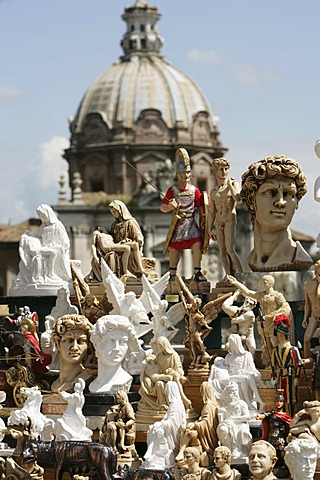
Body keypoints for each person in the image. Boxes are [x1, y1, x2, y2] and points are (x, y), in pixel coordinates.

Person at [240, 154, 312, 272]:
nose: (280, 202)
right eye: (269, 192)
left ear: (297, 203)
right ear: (251, 201)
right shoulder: (251, 259)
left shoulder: (300, 258)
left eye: (288, 194)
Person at [160, 147, 206, 282]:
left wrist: (204, 219)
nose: (186, 175)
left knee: (197, 245)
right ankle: (172, 275)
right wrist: (170, 206)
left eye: (188, 172)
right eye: (183, 172)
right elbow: (162, 207)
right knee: (174, 249)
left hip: (190, 222)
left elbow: (201, 206)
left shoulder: (194, 190)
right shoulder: (172, 190)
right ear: (177, 173)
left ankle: (197, 272)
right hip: (178, 223)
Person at [227, 274, 292, 366]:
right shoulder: (261, 295)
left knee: (275, 343)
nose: (263, 284)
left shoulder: (277, 295)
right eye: (262, 282)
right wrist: (236, 283)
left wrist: (273, 315)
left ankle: (279, 363)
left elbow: (286, 307)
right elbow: (248, 292)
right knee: (267, 345)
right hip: (264, 323)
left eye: (264, 282)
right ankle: (271, 364)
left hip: (273, 323)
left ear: (270, 283)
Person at [14, 204, 71, 286]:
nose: (41, 217)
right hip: (43, 247)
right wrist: (30, 235)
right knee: (44, 255)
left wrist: (55, 245)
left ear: (48, 214)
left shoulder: (57, 226)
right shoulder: (43, 226)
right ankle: (48, 274)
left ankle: (51, 273)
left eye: (42, 215)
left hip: (57, 247)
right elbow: (38, 237)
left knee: (55, 252)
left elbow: (65, 242)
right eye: (40, 215)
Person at [89, 314, 145, 394]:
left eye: (122, 342)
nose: (117, 348)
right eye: (111, 341)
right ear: (96, 345)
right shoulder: (92, 385)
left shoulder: (124, 380)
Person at [209, 333, 265, 412]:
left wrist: (244, 371)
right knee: (244, 379)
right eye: (230, 343)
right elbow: (225, 371)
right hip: (232, 379)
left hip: (244, 376)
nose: (231, 345)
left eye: (232, 343)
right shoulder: (228, 357)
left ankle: (254, 401)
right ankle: (250, 403)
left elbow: (252, 369)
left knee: (248, 376)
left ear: (237, 343)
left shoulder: (246, 355)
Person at [209, 158, 243, 282]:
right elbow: (212, 212)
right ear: (215, 171)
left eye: (226, 169)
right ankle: (229, 275)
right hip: (218, 221)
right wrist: (209, 228)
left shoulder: (233, 184)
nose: (224, 172)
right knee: (222, 251)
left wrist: (229, 185)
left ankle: (241, 274)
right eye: (221, 169)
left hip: (230, 219)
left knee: (230, 249)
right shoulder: (213, 192)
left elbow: (237, 198)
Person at [143, 381, 186, 469]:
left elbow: (172, 422)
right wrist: (161, 422)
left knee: (156, 427)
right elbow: (167, 418)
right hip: (169, 427)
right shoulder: (174, 404)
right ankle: (151, 453)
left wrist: (161, 424)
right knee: (152, 427)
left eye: (166, 390)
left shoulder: (175, 405)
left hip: (173, 432)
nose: (165, 393)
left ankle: (151, 452)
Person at [270, 314, 308, 417]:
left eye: (281, 334)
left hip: (290, 377)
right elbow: (274, 364)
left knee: (290, 398)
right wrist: (273, 376)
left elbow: (298, 364)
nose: (279, 336)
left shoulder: (292, 349)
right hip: (280, 376)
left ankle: (290, 417)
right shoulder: (275, 350)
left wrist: (297, 377)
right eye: (278, 334)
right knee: (280, 398)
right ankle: (282, 417)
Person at [176, 382, 219, 467]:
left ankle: (181, 451)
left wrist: (195, 425)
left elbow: (206, 422)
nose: (201, 394)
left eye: (202, 392)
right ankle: (182, 451)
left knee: (188, 428)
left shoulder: (208, 405)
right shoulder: (213, 404)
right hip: (206, 431)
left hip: (208, 435)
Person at [51, 314, 94, 392]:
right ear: (57, 344)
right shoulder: (55, 383)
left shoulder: (87, 378)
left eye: (81, 341)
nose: (74, 347)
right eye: (69, 340)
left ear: (88, 346)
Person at [150, 335, 192, 409]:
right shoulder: (159, 356)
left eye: (159, 346)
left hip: (173, 377)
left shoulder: (173, 355)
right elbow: (155, 368)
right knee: (159, 384)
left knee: (173, 379)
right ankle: (163, 405)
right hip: (162, 377)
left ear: (164, 345)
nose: (158, 348)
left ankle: (182, 398)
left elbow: (179, 368)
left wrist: (173, 371)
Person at [109, 200, 146, 277]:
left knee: (135, 244)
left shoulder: (130, 222)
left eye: (115, 211)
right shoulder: (114, 225)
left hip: (125, 245)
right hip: (117, 245)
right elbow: (111, 237)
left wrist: (128, 240)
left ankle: (140, 268)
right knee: (132, 246)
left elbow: (139, 238)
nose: (113, 214)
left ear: (121, 210)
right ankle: (131, 269)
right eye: (112, 212)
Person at [256, 394, 292, 474]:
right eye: (277, 401)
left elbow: (289, 425)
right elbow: (264, 416)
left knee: (282, 453)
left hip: (281, 438)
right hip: (271, 437)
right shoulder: (271, 414)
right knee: (271, 453)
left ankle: (284, 468)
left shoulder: (286, 416)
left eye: (280, 401)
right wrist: (259, 416)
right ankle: (270, 469)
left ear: (283, 403)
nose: (278, 403)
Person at [217, 381, 252, 459]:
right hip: (228, 424)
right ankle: (229, 451)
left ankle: (245, 452)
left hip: (241, 424)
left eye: (235, 391)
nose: (233, 393)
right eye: (231, 391)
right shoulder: (224, 406)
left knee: (243, 432)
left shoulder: (241, 403)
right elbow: (222, 419)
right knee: (223, 429)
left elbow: (247, 417)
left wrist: (234, 419)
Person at [100, 389, 138, 459]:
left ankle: (119, 444)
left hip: (125, 426)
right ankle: (113, 446)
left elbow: (132, 419)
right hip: (118, 423)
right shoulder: (121, 406)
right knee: (111, 427)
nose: (117, 400)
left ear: (122, 398)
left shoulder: (127, 407)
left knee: (115, 427)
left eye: (118, 399)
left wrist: (126, 424)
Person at [223, 290, 257, 356]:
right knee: (227, 346)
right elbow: (225, 306)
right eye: (247, 302)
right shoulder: (239, 310)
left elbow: (234, 321)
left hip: (248, 335)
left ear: (252, 307)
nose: (247, 304)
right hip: (238, 334)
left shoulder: (250, 314)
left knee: (252, 350)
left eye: (250, 304)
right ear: (244, 301)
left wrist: (234, 319)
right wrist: (236, 295)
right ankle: (235, 361)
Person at [302, 260, 320, 359]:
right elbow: (307, 303)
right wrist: (305, 318)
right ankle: (306, 360)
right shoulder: (308, 284)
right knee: (306, 338)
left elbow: (319, 294)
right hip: (314, 314)